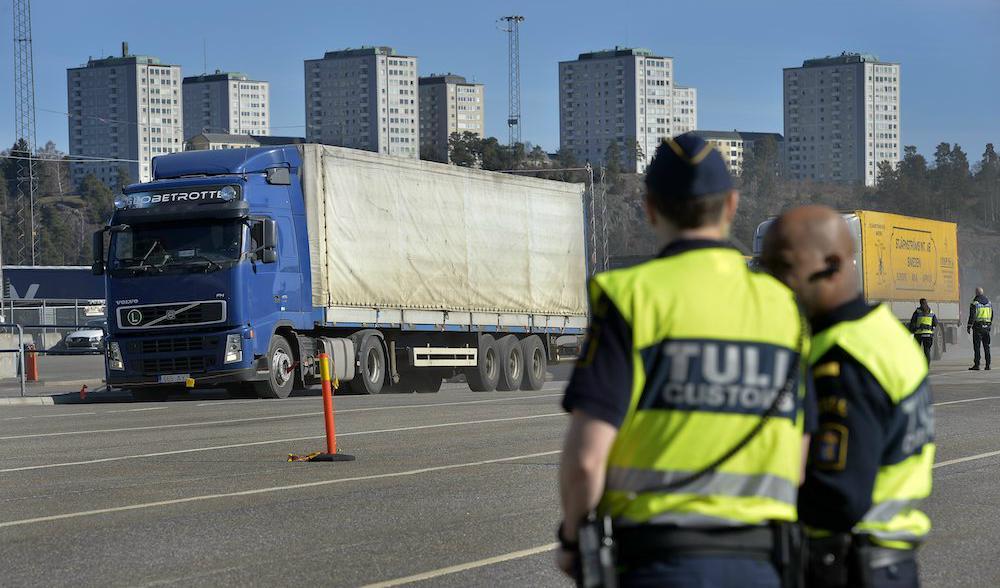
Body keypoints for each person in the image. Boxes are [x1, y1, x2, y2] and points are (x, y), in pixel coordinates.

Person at [556, 133, 813, 588]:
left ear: (650, 207)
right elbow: (799, 453)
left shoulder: (629, 297)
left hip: (659, 562)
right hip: (762, 563)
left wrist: (575, 540)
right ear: (731, 206)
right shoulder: (786, 309)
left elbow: (586, 460)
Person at [760, 205, 934, 588]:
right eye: (766, 266)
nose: (772, 281)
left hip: (846, 566)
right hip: (885, 562)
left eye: (784, 267)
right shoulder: (882, 336)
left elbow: (839, 496)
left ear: (834, 262)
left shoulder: (844, 360)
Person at [967, 287, 992, 370]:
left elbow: (972, 316)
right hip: (987, 327)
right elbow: (992, 315)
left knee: (977, 347)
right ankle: (988, 365)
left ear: (976, 293)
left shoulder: (975, 303)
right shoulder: (989, 302)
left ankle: (977, 365)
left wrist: (969, 326)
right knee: (986, 346)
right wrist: (989, 324)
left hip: (978, 327)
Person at [908, 299, 936, 364]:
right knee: (927, 351)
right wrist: (931, 329)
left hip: (919, 334)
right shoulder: (931, 312)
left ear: (920, 304)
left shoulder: (917, 312)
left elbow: (913, 322)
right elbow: (935, 323)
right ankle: (927, 366)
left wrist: (912, 330)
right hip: (928, 335)